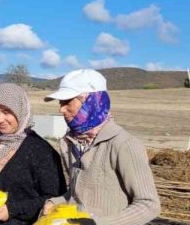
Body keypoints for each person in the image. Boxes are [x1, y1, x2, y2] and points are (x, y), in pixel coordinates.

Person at [43, 69, 160, 225]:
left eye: (67, 101)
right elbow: (79, 193)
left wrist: (98, 223)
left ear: (91, 101)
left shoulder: (123, 144)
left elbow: (149, 204)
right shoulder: (70, 142)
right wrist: (55, 202)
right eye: (60, 102)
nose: (61, 109)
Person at [0, 83, 66, 224]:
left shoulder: (41, 150)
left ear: (20, 110)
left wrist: (12, 209)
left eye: (6, 112)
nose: (0, 120)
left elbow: (55, 198)